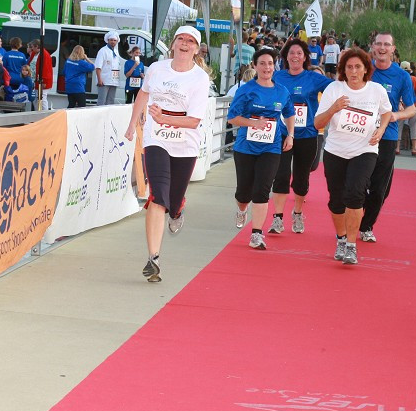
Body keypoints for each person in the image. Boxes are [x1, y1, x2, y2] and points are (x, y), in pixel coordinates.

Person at [123, 26, 210, 283]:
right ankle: (154, 258)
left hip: (185, 143)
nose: (184, 44)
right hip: (156, 139)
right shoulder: (157, 68)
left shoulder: (199, 78)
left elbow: (194, 121)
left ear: (196, 49)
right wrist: (132, 124)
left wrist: (165, 117)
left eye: (191, 41)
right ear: (172, 44)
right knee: (157, 196)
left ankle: (178, 209)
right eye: (181, 39)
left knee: (172, 200)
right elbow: (144, 93)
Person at [313, 48, 392, 265]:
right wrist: (333, 109)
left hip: (365, 150)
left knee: (356, 193)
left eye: (358, 67)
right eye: (349, 67)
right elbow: (318, 123)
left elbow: (386, 112)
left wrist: (381, 129)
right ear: (343, 70)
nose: (354, 71)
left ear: (366, 69)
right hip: (336, 150)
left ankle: (351, 245)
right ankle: (340, 238)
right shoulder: (334, 89)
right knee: (336, 200)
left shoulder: (376, 91)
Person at [228, 47, 295, 250]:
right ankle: (241, 208)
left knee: (263, 190)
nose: (267, 67)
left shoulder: (281, 91)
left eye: (270, 63)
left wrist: (290, 134)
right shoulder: (246, 90)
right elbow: (232, 117)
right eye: (263, 63)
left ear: (275, 66)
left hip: (271, 148)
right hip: (245, 148)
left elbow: (290, 113)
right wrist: (252, 123)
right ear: (255, 66)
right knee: (244, 192)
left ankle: (257, 234)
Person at [268, 37, 333, 235]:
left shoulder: (314, 78)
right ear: (285, 57)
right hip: (282, 134)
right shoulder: (277, 77)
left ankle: (297, 213)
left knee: (301, 178)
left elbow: (336, 89)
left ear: (305, 57)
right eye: (291, 53)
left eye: (299, 53)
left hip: (307, 135)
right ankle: (277, 218)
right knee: (280, 176)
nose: (295, 56)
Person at [359, 32, 416, 243]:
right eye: (378, 44)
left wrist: (395, 115)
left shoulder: (402, 76)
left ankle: (367, 226)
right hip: (360, 132)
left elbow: (411, 109)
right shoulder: (364, 69)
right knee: (358, 180)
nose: (382, 48)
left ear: (393, 49)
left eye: (386, 44)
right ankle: (357, 212)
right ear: (372, 47)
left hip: (387, 136)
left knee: (381, 187)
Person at [95, 31, 123, 105]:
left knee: (110, 101)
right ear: (108, 40)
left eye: (114, 40)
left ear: (117, 41)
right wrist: (99, 79)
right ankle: (100, 116)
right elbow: (98, 67)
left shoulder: (116, 52)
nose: (113, 42)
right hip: (104, 80)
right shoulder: (103, 51)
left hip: (114, 80)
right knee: (102, 101)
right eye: (111, 40)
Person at [28, 39, 53, 110]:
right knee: (36, 99)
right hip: (35, 80)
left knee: (42, 98)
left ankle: (44, 114)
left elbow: (46, 69)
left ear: (37, 46)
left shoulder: (45, 55)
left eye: (32, 47)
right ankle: (38, 113)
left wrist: (44, 81)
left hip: (42, 81)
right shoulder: (34, 53)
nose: (31, 48)